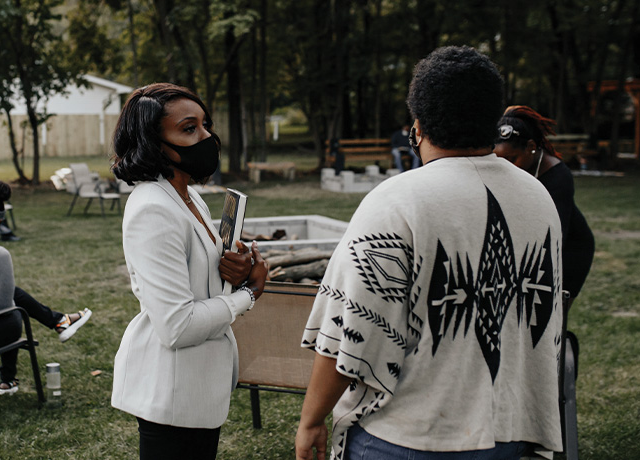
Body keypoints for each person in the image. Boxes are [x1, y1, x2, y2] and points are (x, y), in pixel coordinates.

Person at [295, 46, 564, 460]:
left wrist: (312, 419)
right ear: (493, 121)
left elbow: (351, 328)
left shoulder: (397, 200)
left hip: (411, 434)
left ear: (416, 127)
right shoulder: (538, 196)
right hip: (510, 430)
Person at [110, 83, 269, 460]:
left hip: (200, 386)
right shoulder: (152, 210)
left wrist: (241, 264)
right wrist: (249, 295)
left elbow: (205, 271)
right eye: (188, 128)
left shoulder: (188, 195)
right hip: (173, 392)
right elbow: (177, 325)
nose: (207, 137)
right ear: (153, 142)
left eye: (205, 125)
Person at [0, 179, 92, 395]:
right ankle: (8, 378)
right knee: (15, 312)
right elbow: (4, 306)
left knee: (11, 294)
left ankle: (59, 321)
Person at [494, 105, 595, 307]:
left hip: (569, 251)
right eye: (499, 160)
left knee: (551, 313)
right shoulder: (512, 170)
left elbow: (555, 238)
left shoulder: (558, 178)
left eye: (511, 159)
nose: (505, 166)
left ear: (531, 146)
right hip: (531, 246)